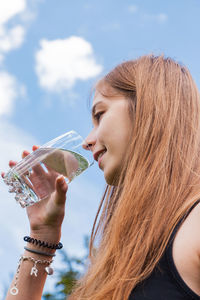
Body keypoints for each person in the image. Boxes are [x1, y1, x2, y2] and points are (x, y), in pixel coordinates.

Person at [3, 54, 200, 300]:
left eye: (100, 115)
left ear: (148, 107)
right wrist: (42, 237)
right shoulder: (127, 254)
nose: (87, 141)